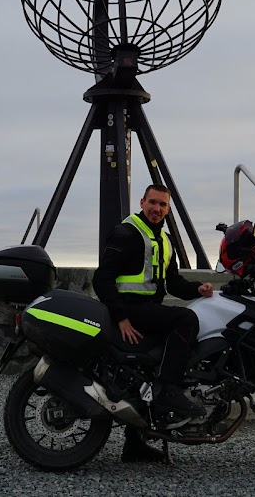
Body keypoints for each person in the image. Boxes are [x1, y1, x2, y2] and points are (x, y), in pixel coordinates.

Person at [92, 183, 214, 463]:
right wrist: (120, 317)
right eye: (153, 203)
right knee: (186, 319)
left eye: (163, 205)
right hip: (129, 310)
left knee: (147, 370)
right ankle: (169, 389)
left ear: (168, 210)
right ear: (142, 202)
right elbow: (102, 279)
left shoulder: (165, 240)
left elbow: (173, 283)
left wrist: (198, 290)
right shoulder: (127, 233)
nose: (157, 209)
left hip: (147, 309)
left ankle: (134, 446)